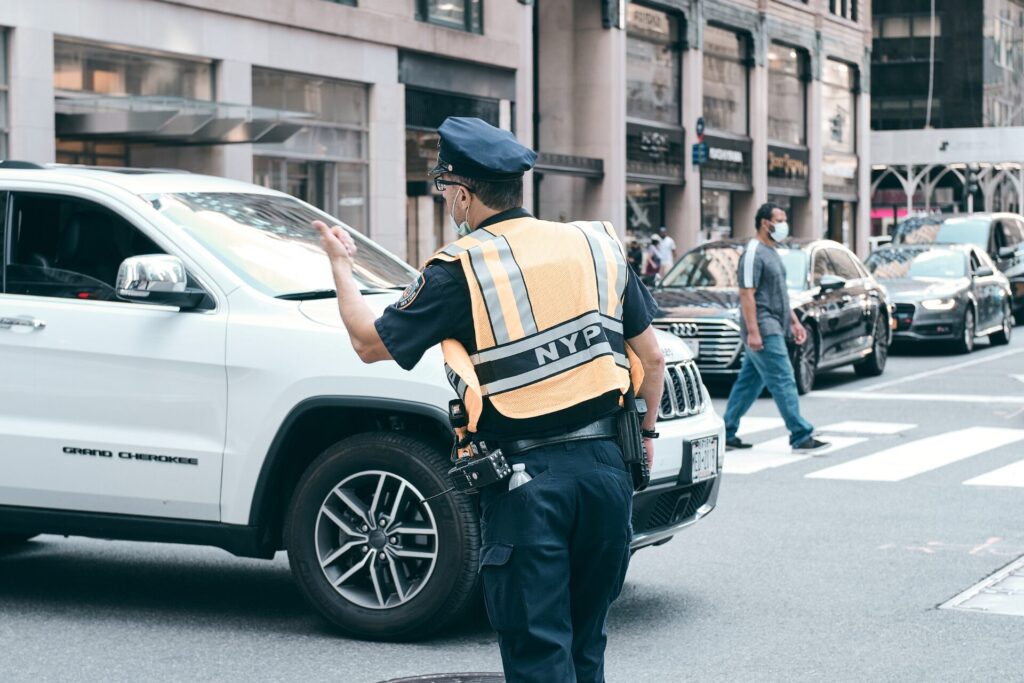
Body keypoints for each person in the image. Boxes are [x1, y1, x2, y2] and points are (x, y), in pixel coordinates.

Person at [314, 116, 665, 683]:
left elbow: (366, 342)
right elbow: (651, 360)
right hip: (608, 473)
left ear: (460, 192)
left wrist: (340, 266)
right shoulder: (594, 246)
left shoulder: (462, 269)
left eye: (445, 190)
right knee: (585, 644)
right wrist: (644, 441)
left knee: (537, 652)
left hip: (529, 486)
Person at [723, 202, 829, 454]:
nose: (783, 225)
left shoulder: (772, 251)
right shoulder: (753, 253)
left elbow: (778, 293)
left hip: (774, 323)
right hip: (763, 325)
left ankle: (726, 431)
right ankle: (800, 433)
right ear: (765, 223)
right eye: (779, 220)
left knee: (749, 383)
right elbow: (747, 294)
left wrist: (793, 321)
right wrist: (753, 331)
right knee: (784, 378)